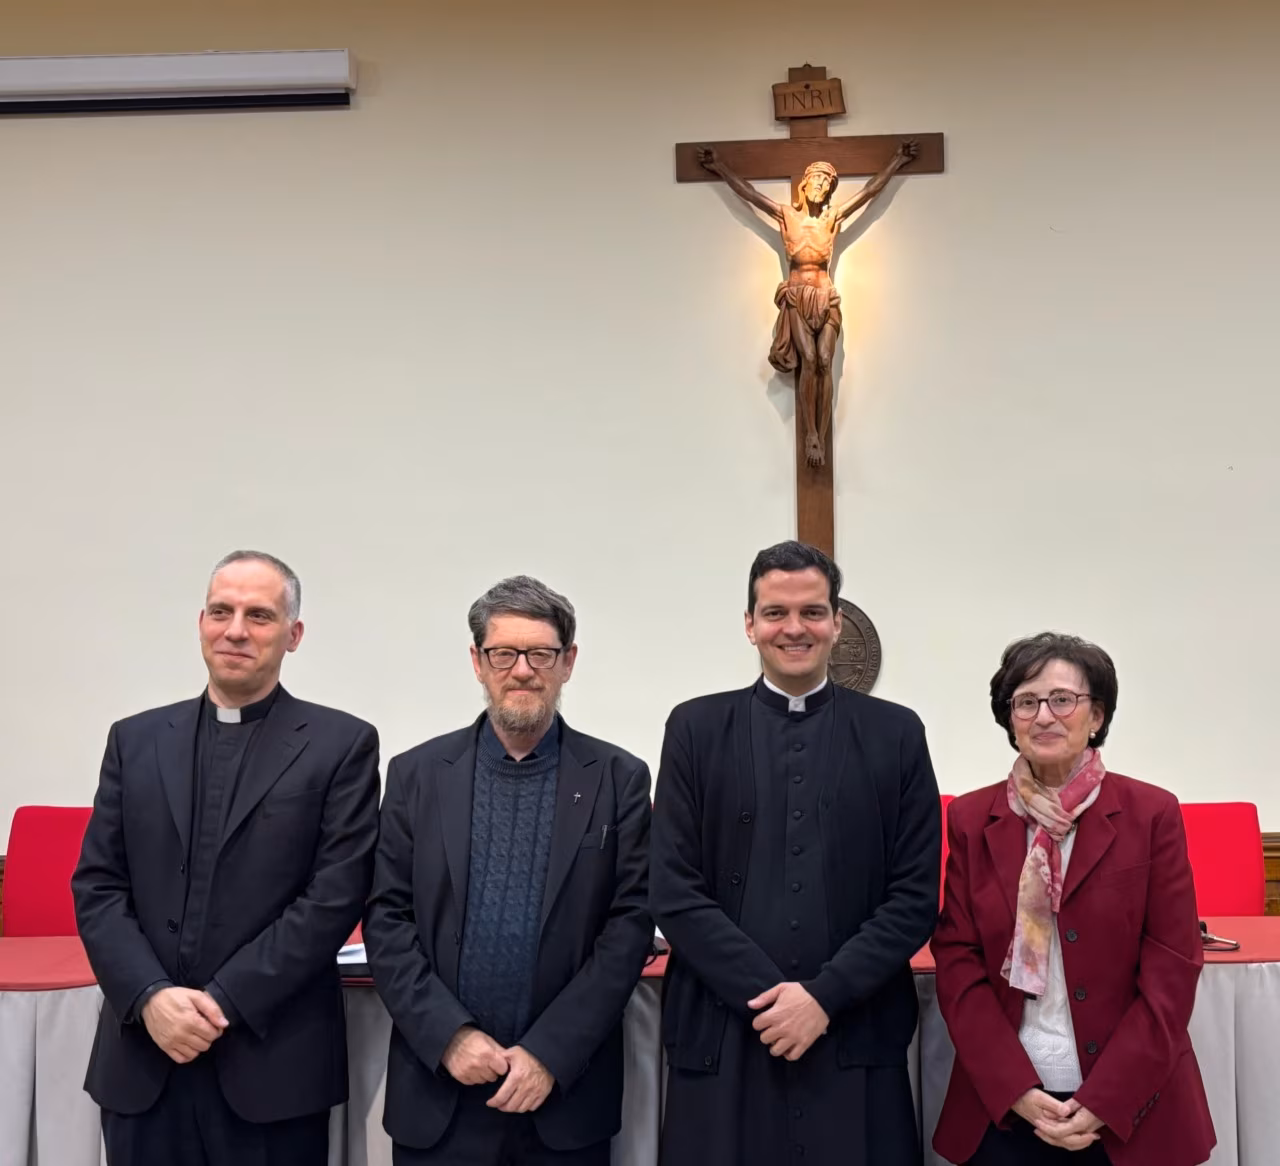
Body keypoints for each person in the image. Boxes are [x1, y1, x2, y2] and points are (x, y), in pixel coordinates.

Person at [71, 550, 381, 1166]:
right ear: (201, 622)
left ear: (293, 635)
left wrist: (224, 1002)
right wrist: (149, 996)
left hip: (272, 1062)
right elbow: (99, 886)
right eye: (221, 611)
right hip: (144, 1059)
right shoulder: (134, 739)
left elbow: (333, 897)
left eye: (258, 615)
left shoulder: (342, 745)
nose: (235, 630)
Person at [650, 539, 941, 1166]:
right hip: (725, 1031)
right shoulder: (694, 729)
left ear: (837, 622)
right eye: (775, 613)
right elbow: (673, 889)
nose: (794, 628)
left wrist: (823, 998)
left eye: (812, 612)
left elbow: (914, 897)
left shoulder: (896, 733)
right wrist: (773, 1000)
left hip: (855, 1031)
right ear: (749, 624)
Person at [363, 575, 653, 1165]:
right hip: (440, 1092)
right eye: (503, 653)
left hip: (564, 1096)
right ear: (477, 662)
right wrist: (449, 1036)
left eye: (540, 653)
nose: (522, 670)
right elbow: (387, 918)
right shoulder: (416, 775)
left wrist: (551, 1052)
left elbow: (628, 928)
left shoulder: (618, 778)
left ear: (568, 662)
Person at [932, 632, 1216, 1166]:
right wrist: (1013, 1085)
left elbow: (1173, 968)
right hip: (1004, 1105)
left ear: (1097, 716)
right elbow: (957, 961)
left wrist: (1107, 1098)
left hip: (1132, 1106)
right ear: (1010, 719)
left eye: (1062, 699)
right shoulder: (971, 819)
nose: (1044, 716)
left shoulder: (1151, 814)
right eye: (1026, 701)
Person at [696, 142, 917, 466]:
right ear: (805, 183)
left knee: (825, 360)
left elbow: (869, 192)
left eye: (827, 183)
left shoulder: (832, 218)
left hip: (826, 295)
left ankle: (821, 435)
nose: (821, 186)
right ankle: (811, 433)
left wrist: (898, 160)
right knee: (809, 360)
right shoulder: (787, 216)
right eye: (817, 179)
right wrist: (719, 167)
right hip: (798, 296)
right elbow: (750, 195)